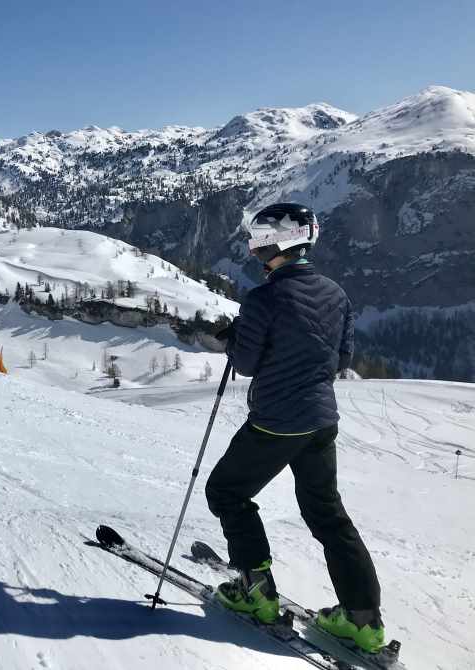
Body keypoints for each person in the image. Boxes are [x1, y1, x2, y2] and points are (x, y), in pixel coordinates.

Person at [206, 203, 385, 654]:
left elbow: (245, 363)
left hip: (277, 422)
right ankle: (362, 621)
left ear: (275, 242)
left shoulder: (263, 298)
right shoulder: (336, 293)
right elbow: (341, 360)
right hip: (322, 421)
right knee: (327, 512)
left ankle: (256, 594)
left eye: (260, 236)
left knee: (227, 492)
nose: (255, 244)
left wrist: (234, 340)